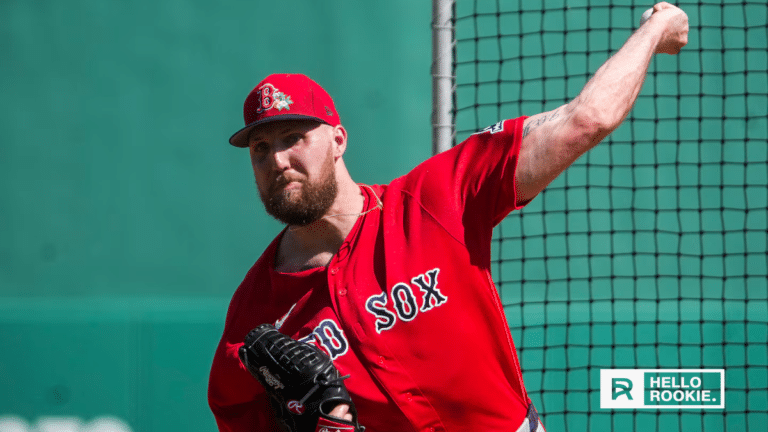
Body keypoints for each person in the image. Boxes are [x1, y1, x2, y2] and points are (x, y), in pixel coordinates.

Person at [208, 3, 689, 431]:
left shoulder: (434, 199)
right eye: (261, 148)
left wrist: (655, 28)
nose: (277, 160)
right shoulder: (253, 317)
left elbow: (586, 121)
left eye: (294, 137)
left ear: (338, 141)